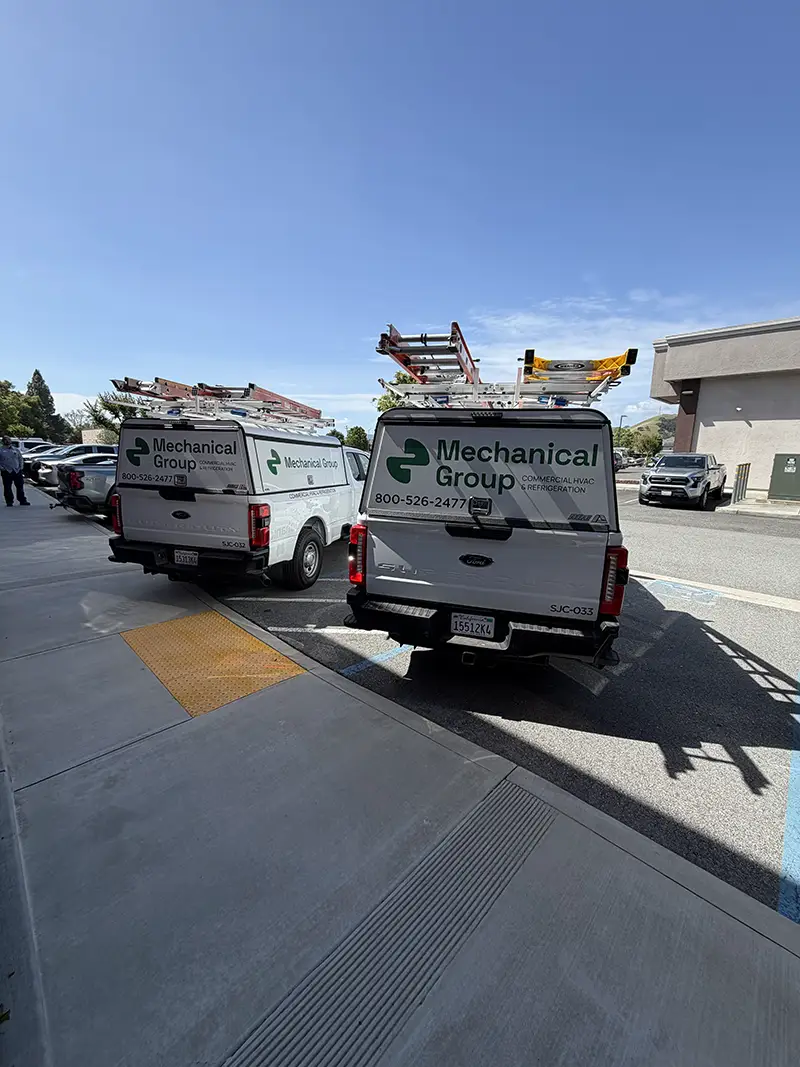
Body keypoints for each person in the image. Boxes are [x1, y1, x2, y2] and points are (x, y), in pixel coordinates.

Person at [0, 436, 30, 506]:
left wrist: (21, 467)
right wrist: (1, 468)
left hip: (17, 471)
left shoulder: (16, 450)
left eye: (9, 440)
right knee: (7, 487)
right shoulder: (1, 450)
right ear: (3, 442)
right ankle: (9, 501)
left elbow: (20, 459)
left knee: (20, 487)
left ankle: (22, 500)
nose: (7, 441)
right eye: (6, 440)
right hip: (6, 471)